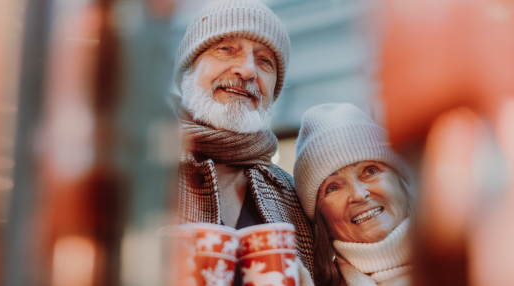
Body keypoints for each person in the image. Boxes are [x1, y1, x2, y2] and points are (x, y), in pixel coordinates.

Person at [172, 0, 315, 283]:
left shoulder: (294, 197)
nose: (248, 70)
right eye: (226, 49)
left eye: (265, 61)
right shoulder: (141, 171)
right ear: (188, 70)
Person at [294, 103, 415, 286]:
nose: (358, 195)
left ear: (400, 181)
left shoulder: (467, 256)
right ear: (322, 220)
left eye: (371, 171)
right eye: (333, 187)